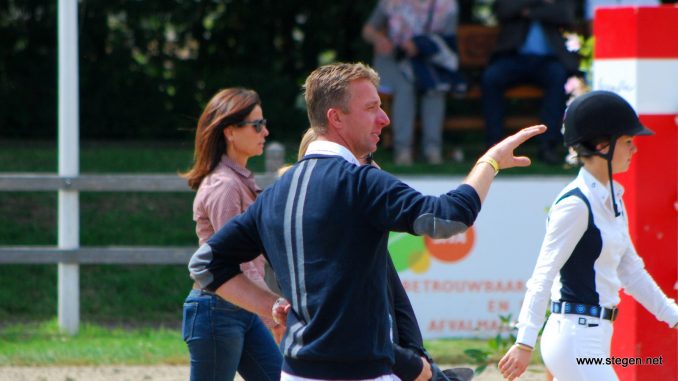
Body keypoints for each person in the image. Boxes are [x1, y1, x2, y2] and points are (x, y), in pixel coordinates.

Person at [189, 62, 546, 381]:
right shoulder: (360, 181)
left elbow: (206, 265)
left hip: (296, 372)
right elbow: (447, 219)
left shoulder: (277, 192)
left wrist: (272, 307)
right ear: (336, 118)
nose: (385, 118)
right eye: (372, 108)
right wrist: (489, 162)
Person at [498, 90, 678, 381]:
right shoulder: (574, 205)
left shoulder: (613, 200)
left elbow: (631, 271)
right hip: (574, 337)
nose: (635, 149)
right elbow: (543, 274)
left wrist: (673, 316)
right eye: (629, 141)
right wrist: (524, 341)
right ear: (602, 146)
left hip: (594, 335)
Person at [286, 128, 474, 381]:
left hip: (380, 356)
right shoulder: (324, 235)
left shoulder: (363, 224)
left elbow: (398, 301)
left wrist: (420, 358)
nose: (374, 165)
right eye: (364, 157)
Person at [180, 88, 283, 381]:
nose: (265, 131)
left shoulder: (238, 182)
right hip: (217, 311)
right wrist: (271, 314)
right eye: (257, 125)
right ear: (230, 132)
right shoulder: (225, 186)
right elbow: (234, 263)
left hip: (239, 309)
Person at [363, 0, 464, 165]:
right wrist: (379, 39)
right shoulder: (391, 2)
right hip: (394, 60)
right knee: (405, 87)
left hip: (427, 62)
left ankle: (433, 150)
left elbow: (446, 41)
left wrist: (421, 45)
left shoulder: (447, 5)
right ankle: (403, 151)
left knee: (434, 88)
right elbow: (368, 30)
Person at [481, 0, 579, 165]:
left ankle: (547, 146)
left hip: (547, 61)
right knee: (491, 78)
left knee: (558, 78)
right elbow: (503, 9)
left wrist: (530, 12)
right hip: (513, 58)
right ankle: (494, 145)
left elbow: (565, 13)